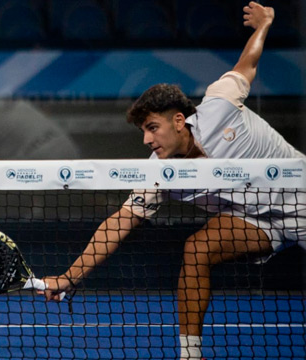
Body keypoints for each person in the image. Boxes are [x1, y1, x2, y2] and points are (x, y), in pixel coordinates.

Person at [39, 3, 305, 360]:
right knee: (197, 249)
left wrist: (264, 25)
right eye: (143, 132)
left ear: (179, 121)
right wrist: (70, 276)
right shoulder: (159, 172)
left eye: (152, 128)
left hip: (302, 197)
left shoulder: (220, 104)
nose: (147, 140)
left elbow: (248, 64)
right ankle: (190, 355)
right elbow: (119, 223)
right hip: (256, 222)